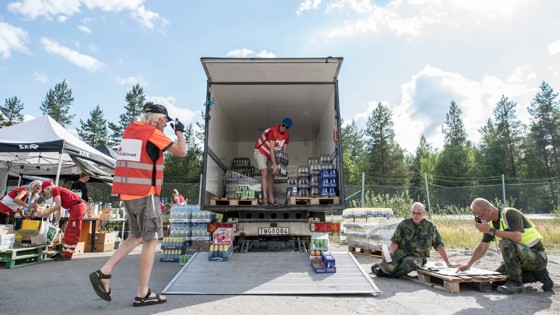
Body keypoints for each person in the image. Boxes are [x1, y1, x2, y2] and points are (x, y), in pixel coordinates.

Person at [89, 102, 186, 307]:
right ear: (158, 118)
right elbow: (182, 152)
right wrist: (179, 133)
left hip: (127, 193)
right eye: (165, 121)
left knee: (136, 236)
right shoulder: (152, 132)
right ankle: (143, 293)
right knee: (151, 241)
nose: (165, 125)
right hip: (146, 193)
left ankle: (105, 271)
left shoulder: (131, 131)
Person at [457, 198, 554, 294]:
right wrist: (468, 264)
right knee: (497, 280)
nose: (480, 219)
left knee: (505, 243)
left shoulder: (510, 214)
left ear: (488, 210)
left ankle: (516, 284)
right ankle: (537, 274)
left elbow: (517, 237)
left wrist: (491, 231)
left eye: (480, 216)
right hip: (523, 260)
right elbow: (482, 247)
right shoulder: (490, 225)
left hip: (538, 257)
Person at [371, 202, 453, 278]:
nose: (415, 216)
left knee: (409, 263)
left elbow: (439, 245)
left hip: (418, 256)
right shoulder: (404, 224)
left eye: (418, 213)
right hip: (401, 252)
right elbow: (395, 241)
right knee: (389, 263)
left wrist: (448, 263)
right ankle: (384, 268)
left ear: (424, 213)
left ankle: (389, 273)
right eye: (413, 213)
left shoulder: (430, 227)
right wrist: (390, 253)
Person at [41, 180, 87, 261]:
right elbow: (59, 208)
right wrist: (56, 221)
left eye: (44, 191)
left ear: (48, 188)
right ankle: (65, 251)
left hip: (77, 208)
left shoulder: (55, 190)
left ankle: (68, 253)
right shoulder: (57, 191)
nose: (45, 193)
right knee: (68, 230)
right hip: (75, 208)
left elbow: (58, 205)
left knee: (73, 230)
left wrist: (47, 213)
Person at [253, 117, 291, 205]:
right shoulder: (272, 132)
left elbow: (284, 151)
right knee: (264, 172)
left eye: (287, 127)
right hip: (261, 151)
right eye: (283, 125)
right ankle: (265, 198)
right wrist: (274, 164)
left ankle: (271, 198)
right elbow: (271, 149)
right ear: (281, 123)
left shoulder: (286, 135)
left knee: (272, 175)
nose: (284, 128)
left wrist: (282, 165)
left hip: (272, 154)